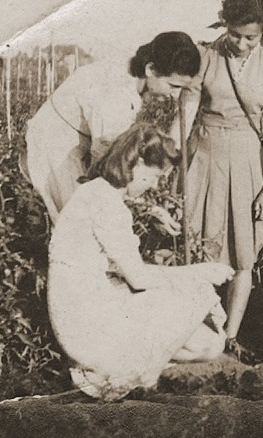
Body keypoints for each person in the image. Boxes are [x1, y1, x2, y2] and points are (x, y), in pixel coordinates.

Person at [47, 123, 234, 401]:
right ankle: (111, 371)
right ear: (134, 163)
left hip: (76, 307)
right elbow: (138, 278)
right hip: (85, 322)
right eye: (154, 177)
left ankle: (120, 366)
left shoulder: (95, 190)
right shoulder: (109, 205)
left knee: (207, 342)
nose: (154, 186)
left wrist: (152, 210)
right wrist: (200, 272)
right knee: (204, 326)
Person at [186, 0, 263, 343]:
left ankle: (229, 337)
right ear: (224, 26)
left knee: (243, 250)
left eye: (251, 38)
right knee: (197, 243)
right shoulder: (204, 57)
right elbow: (185, 117)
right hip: (204, 155)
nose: (242, 45)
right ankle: (197, 328)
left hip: (247, 160)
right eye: (235, 35)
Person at [24, 32, 201, 222]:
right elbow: (110, 168)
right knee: (80, 219)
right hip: (56, 144)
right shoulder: (115, 95)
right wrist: (150, 208)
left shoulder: (131, 75)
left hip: (76, 141)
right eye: (172, 86)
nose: (175, 95)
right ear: (151, 69)